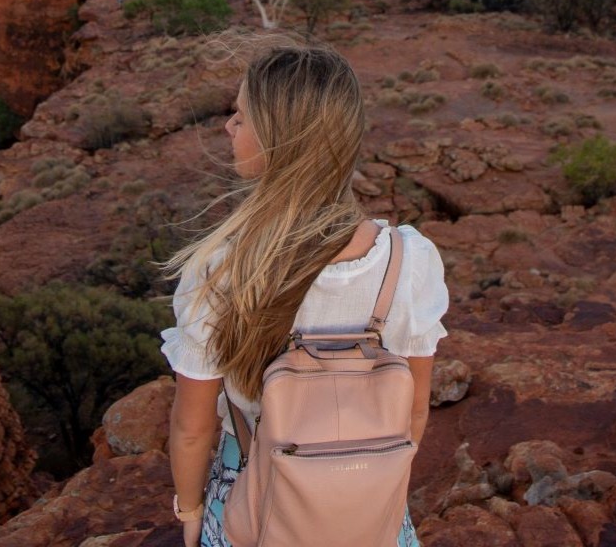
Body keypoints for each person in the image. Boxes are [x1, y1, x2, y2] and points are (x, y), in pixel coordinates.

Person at [161, 41, 448, 547]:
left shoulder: (221, 268)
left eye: (242, 117)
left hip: (251, 487)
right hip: (370, 502)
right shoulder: (408, 259)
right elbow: (415, 409)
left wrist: (188, 510)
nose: (229, 127)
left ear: (278, 142)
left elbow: (191, 425)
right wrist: (367, 483)